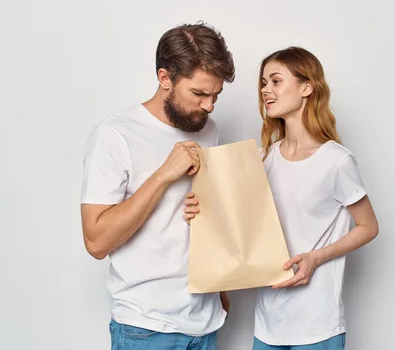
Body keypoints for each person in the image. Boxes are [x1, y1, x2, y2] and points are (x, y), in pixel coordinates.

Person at [184, 46, 379, 350]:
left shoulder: (336, 161)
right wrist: (200, 207)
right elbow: (242, 223)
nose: (266, 90)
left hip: (318, 326)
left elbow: (368, 226)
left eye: (276, 81)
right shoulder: (265, 158)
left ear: (306, 87)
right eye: (263, 83)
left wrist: (316, 258)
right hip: (268, 325)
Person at [80, 21, 235, 350]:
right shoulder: (115, 134)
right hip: (145, 329)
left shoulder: (209, 130)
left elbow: (204, 216)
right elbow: (96, 242)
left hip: (206, 323)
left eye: (215, 95)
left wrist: (221, 287)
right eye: (199, 93)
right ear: (165, 78)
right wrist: (164, 174)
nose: (208, 106)